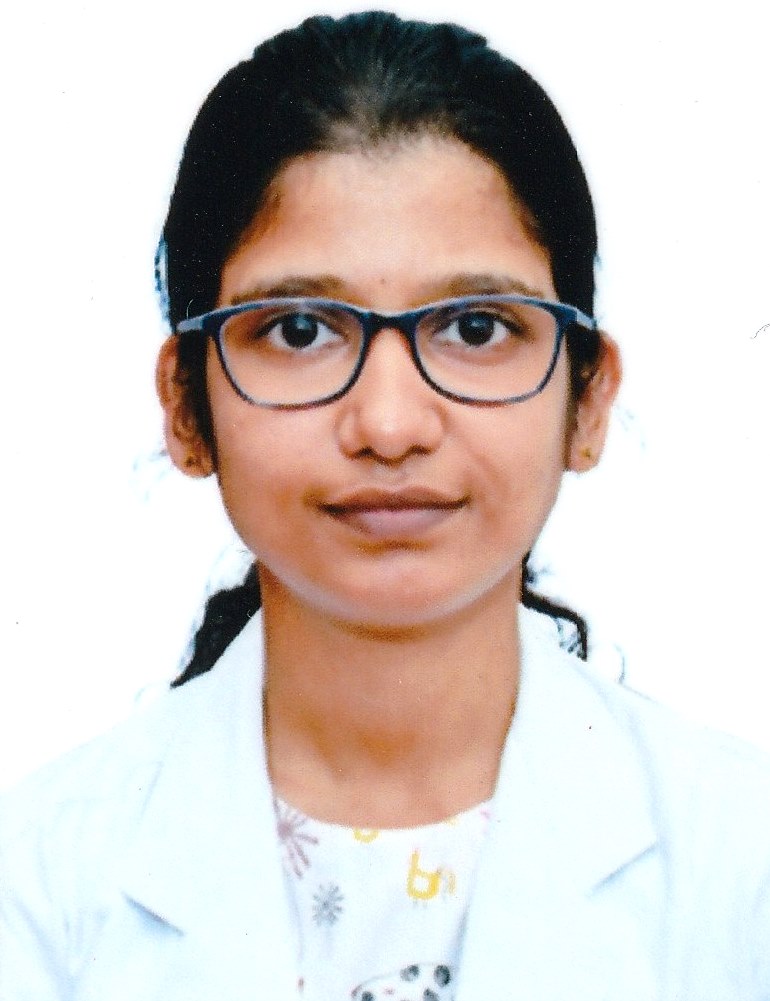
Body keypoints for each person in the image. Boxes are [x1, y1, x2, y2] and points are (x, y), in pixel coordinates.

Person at [1, 12, 769, 1000]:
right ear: (186, 407)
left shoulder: (741, 863)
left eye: (476, 327)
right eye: (299, 329)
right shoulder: (39, 883)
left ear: (586, 400)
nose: (391, 424)